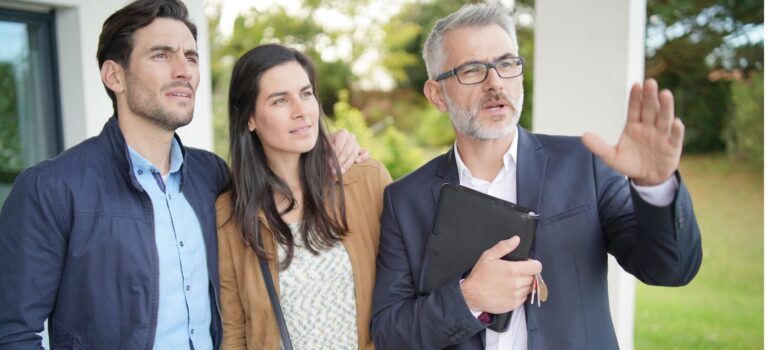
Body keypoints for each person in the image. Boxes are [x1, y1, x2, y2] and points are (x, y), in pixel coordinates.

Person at [0, 1, 364, 349]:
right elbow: (13, 333)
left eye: (190, 57)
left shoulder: (213, 176)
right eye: (161, 55)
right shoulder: (52, 189)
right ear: (115, 75)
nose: (184, 70)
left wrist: (331, 144)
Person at [370, 3, 702, 350]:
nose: (494, 82)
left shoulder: (584, 166)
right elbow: (391, 333)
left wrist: (655, 187)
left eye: (506, 63)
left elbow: (670, 270)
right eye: (471, 70)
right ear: (437, 95)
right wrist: (469, 298)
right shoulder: (404, 201)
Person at [216, 43, 392, 350]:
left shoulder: (367, 180)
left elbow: (406, 292)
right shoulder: (229, 215)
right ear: (249, 119)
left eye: (306, 93)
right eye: (280, 100)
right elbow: (233, 332)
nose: (301, 111)